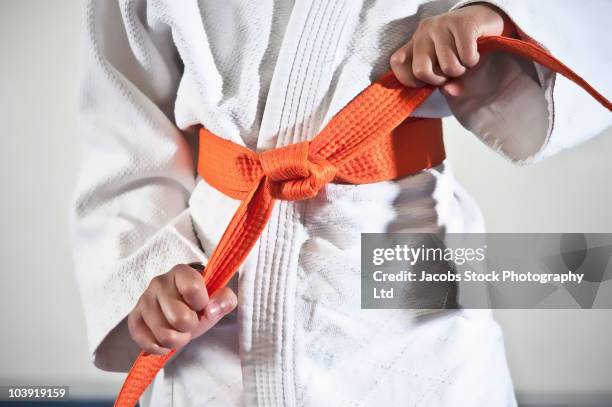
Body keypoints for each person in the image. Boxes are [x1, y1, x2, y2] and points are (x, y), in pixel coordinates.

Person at [72, 0, 611, 405]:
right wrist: (152, 271)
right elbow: (124, 121)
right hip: (213, 272)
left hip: (400, 247)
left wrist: (499, 21)